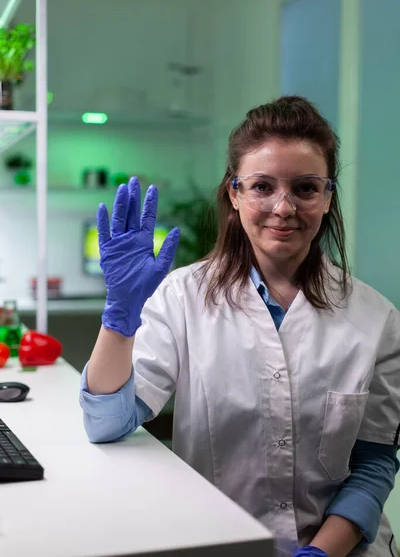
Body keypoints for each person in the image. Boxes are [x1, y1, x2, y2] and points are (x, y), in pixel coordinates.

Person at [80, 96, 400, 557]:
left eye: (306, 188)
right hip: (220, 543)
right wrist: (119, 316)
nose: (284, 207)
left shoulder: (377, 318)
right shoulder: (181, 297)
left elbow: (373, 464)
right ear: (234, 194)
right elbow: (107, 423)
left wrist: (320, 553)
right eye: (262, 186)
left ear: (328, 197)